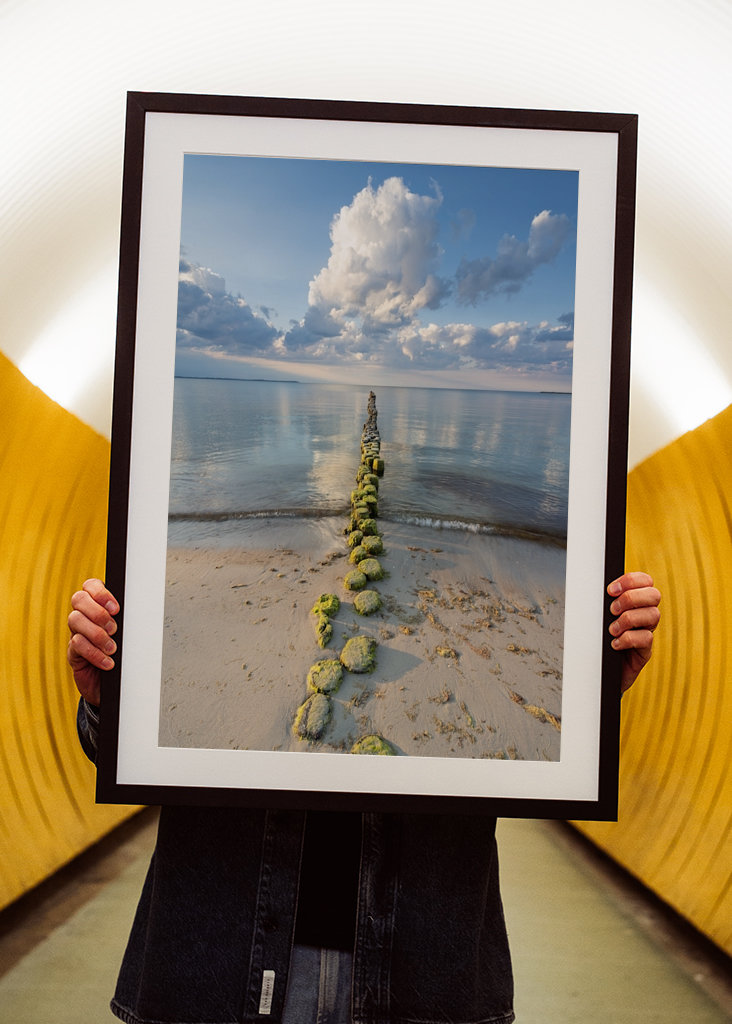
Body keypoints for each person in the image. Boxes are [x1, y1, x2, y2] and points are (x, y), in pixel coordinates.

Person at [68, 572, 661, 1024]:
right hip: (221, 957)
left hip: (421, 966)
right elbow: (127, 752)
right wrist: (108, 703)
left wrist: (589, 696)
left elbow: (545, 760)